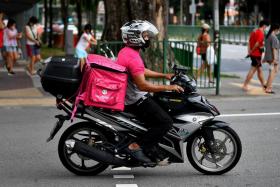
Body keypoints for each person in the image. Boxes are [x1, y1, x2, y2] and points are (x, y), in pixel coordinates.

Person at [116, 20, 184, 164]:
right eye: (145, 35)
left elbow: (140, 71)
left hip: (132, 96)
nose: (148, 38)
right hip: (135, 100)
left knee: (162, 108)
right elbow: (142, 85)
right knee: (165, 122)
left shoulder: (128, 51)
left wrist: (163, 75)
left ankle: (153, 148)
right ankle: (136, 146)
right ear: (135, 36)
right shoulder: (132, 57)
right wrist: (168, 87)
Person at [242, 20, 269, 91]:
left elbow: (249, 41)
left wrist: (249, 51)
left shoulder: (254, 31)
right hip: (256, 54)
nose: (266, 28)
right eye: (266, 27)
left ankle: (264, 85)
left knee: (259, 70)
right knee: (253, 70)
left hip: (254, 54)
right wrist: (252, 51)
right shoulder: (261, 33)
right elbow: (257, 43)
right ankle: (245, 85)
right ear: (264, 26)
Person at [262, 23, 280, 94]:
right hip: (273, 57)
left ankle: (267, 85)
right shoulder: (274, 37)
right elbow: (274, 49)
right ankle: (268, 88)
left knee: (272, 71)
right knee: (274, 72)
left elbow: (266, 48)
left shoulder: (268, 36)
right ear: (276, 29)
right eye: (279, 30)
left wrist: (264, 58)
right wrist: (275, 59)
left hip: (269, 57)